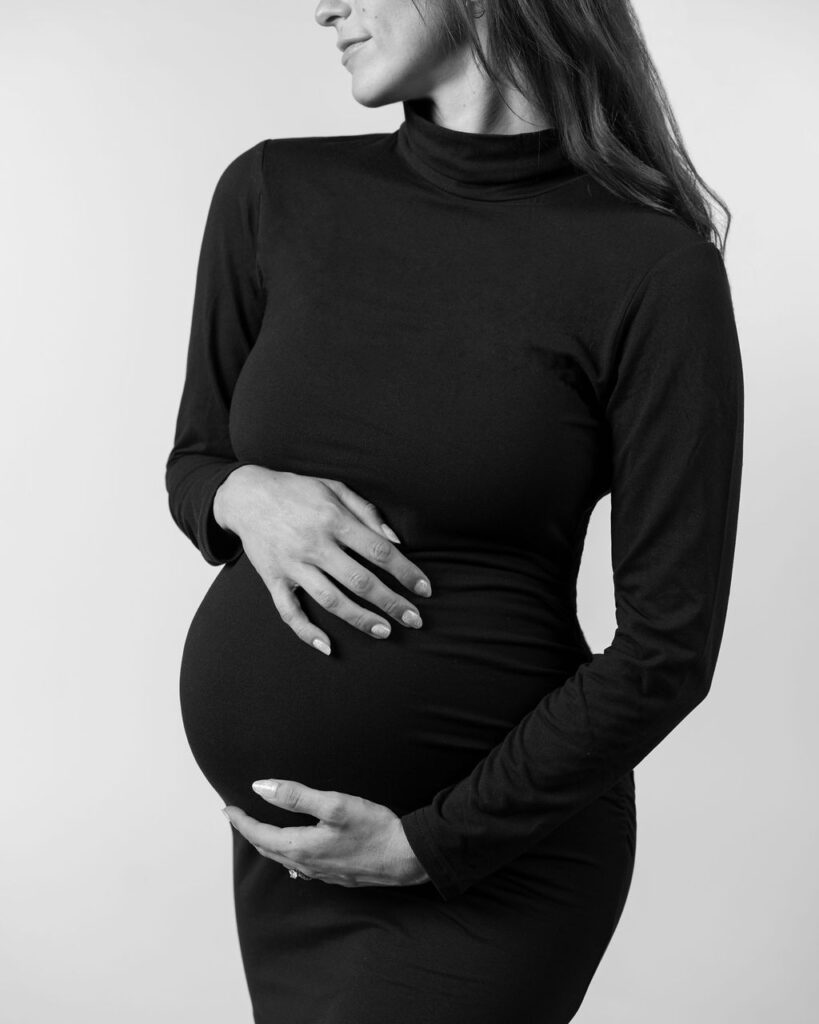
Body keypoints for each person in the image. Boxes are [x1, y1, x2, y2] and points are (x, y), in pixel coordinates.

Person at [164, 0, 744, 1020]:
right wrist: (244, 494)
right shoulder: (272, 192)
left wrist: (428, 843)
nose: (322, 7)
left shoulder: (651, 270)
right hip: (297, 864)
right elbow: (195, 462)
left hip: (492, 861)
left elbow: (669, 647)